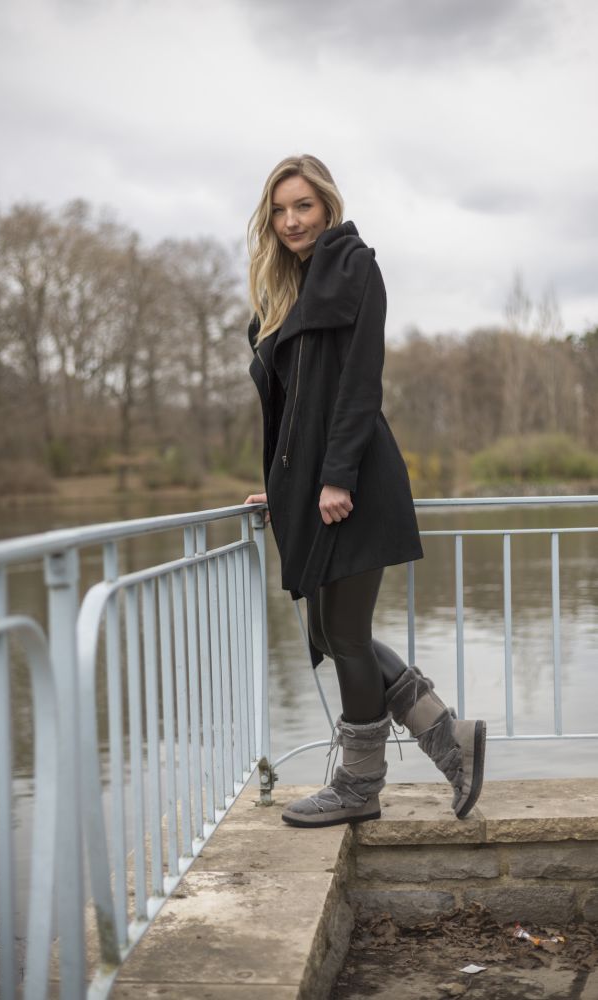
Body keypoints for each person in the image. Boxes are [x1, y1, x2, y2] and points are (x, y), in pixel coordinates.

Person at [244, 154, 486, 829]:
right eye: (280, 209)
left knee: (344, 635)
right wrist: (280, 487)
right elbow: (290, 410)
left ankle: (359, 783)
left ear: (326, 206)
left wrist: (334, 476)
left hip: (352, 482)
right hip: (314, 487)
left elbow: (359, 383)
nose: (291, 220)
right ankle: (447, 735)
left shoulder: (352, 266)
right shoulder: (283, 287)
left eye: (303, 206)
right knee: (329, 629)